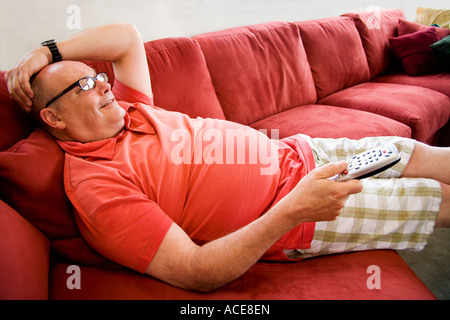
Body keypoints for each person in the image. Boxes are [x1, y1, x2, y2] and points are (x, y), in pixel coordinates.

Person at [6, 23, 450, 292]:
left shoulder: (131, 108)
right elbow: (196, 272)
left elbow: (126, 38)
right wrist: (291, 210)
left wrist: (48, 50)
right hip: (300, 214)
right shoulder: (96, 186)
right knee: (435, 200)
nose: (103, 84)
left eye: (96, 75)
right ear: (53, 117)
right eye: (83, 85)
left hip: (302, 151)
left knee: (412, 152)